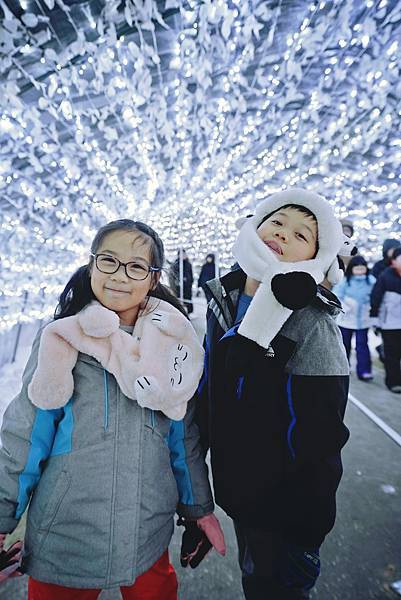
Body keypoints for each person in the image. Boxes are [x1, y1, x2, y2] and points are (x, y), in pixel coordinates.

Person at [0, 220, 225, 599]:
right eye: (109, 261)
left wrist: (197, 508)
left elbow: (182, 437)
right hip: (67, 535)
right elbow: (25, 436)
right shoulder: (61, 341)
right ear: (91, 266)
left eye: (137, 266)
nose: (121, 275)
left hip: (146, 532)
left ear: (153, 279)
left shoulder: (175, 347)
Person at [197, 188, 350, 600]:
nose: (283, 234)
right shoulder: (222, 300)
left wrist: (307, 529)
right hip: (240, 495)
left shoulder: (312, 325)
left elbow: (321, 438)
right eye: (277, 221)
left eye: (302, 235)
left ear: (316, 259)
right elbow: (210, 396)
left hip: (286, 515)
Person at [333, 255, 375, 381]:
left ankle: (364, 371)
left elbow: (375, 296)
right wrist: (347, 306)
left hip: (363, 320)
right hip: (346, 320)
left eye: (362, 269)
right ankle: (343, 367)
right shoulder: (346, 281)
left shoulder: (371, 281)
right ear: (352, 269)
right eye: (357, 269)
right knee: (344, 345)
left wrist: (369, 306)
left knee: (362, 345)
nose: (360, 272)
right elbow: (337, 295)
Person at [370, 245, 401, 393]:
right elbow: (376, 297)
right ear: (393, 261)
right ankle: (393, 382)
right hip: (390, 323)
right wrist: (375, 317)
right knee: (392, 353)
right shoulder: (386, 276)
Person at [169, 250, 194, 315]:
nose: (183, 255)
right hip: (178, 285)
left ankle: (189, 312)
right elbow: (173, 274)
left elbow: (190, 274)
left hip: (187, 285)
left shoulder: (188, 264)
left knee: (188, 298)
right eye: (181, 254)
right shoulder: (176, 264)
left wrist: (190, 282)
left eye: (184, 254)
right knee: (179, 298)